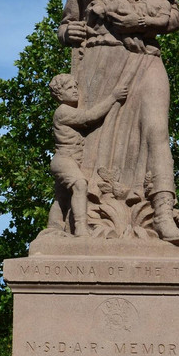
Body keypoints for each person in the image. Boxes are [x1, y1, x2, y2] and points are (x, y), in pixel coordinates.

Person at [55, 0, 179, 244]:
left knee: (156, 130)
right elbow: (67, 21)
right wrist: (66, 31)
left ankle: (162, 215)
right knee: (90, 150)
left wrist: (138, 21)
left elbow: (174, 17)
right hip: (97, 64)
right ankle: (84, 222)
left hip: (144, 56)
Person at [49, 73, 128, 237]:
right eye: (69, 88)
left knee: (62, 198)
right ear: (59, 94)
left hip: (73, 160)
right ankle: (81, 229)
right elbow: (89, 116)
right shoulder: (63, 111)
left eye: (75, 87)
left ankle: (53, 229)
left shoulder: (69, 109)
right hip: (64, 159)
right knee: (80, 184)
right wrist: (113, 97)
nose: (75, 91)